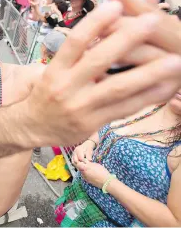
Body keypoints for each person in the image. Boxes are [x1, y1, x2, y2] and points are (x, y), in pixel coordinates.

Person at [0, 0, 181, 226]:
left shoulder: (32, 76)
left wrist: (142, 59)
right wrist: (29, 123)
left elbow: (93, 86)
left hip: (9, 220)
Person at [60, 85, 181, 226]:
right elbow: (113, 126)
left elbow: (174, 223)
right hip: (78, 203)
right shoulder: (148, 101)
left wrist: (108, 182)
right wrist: (90, 143)